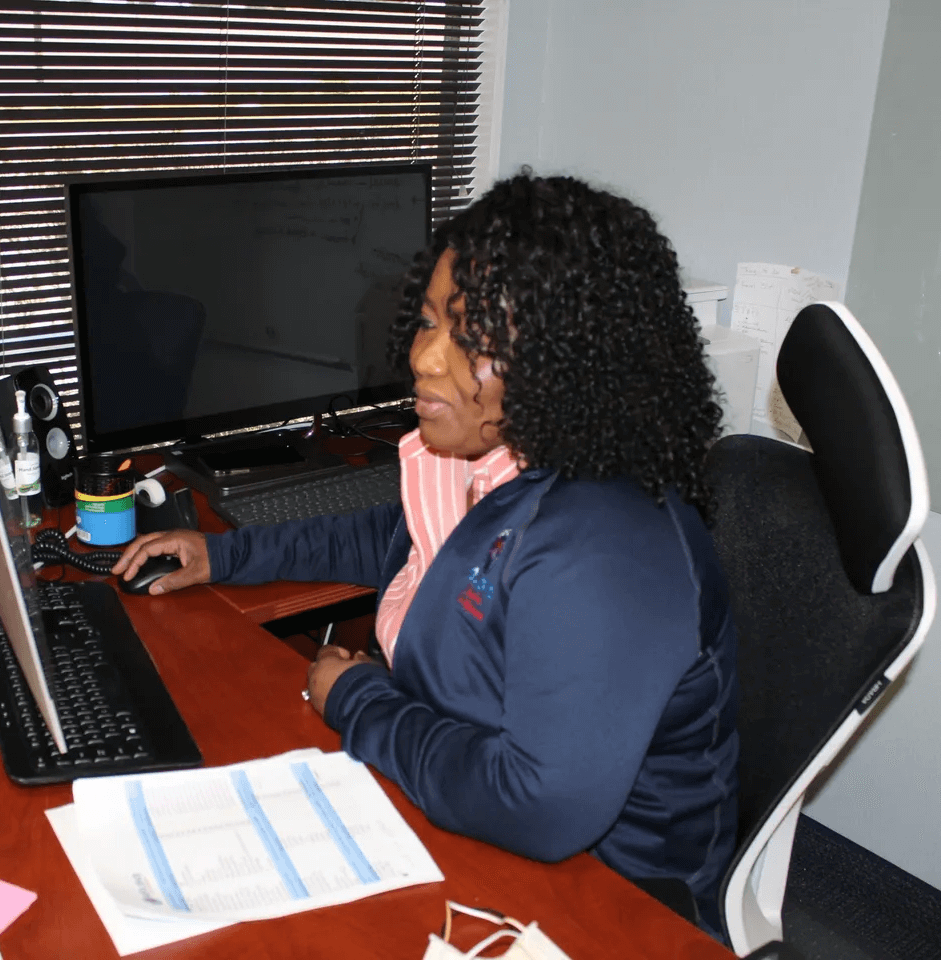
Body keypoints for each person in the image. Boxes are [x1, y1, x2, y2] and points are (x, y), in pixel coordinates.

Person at [113, 172, 740, 937]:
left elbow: (538, 806)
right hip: (469, 828)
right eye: (429, 322)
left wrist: (359, 701)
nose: (425, 358)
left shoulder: (609, 543)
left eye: (472, 339)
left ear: (571, 357)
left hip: (607, 908)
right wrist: (227, 555)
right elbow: (396, 538)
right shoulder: (501, 460)